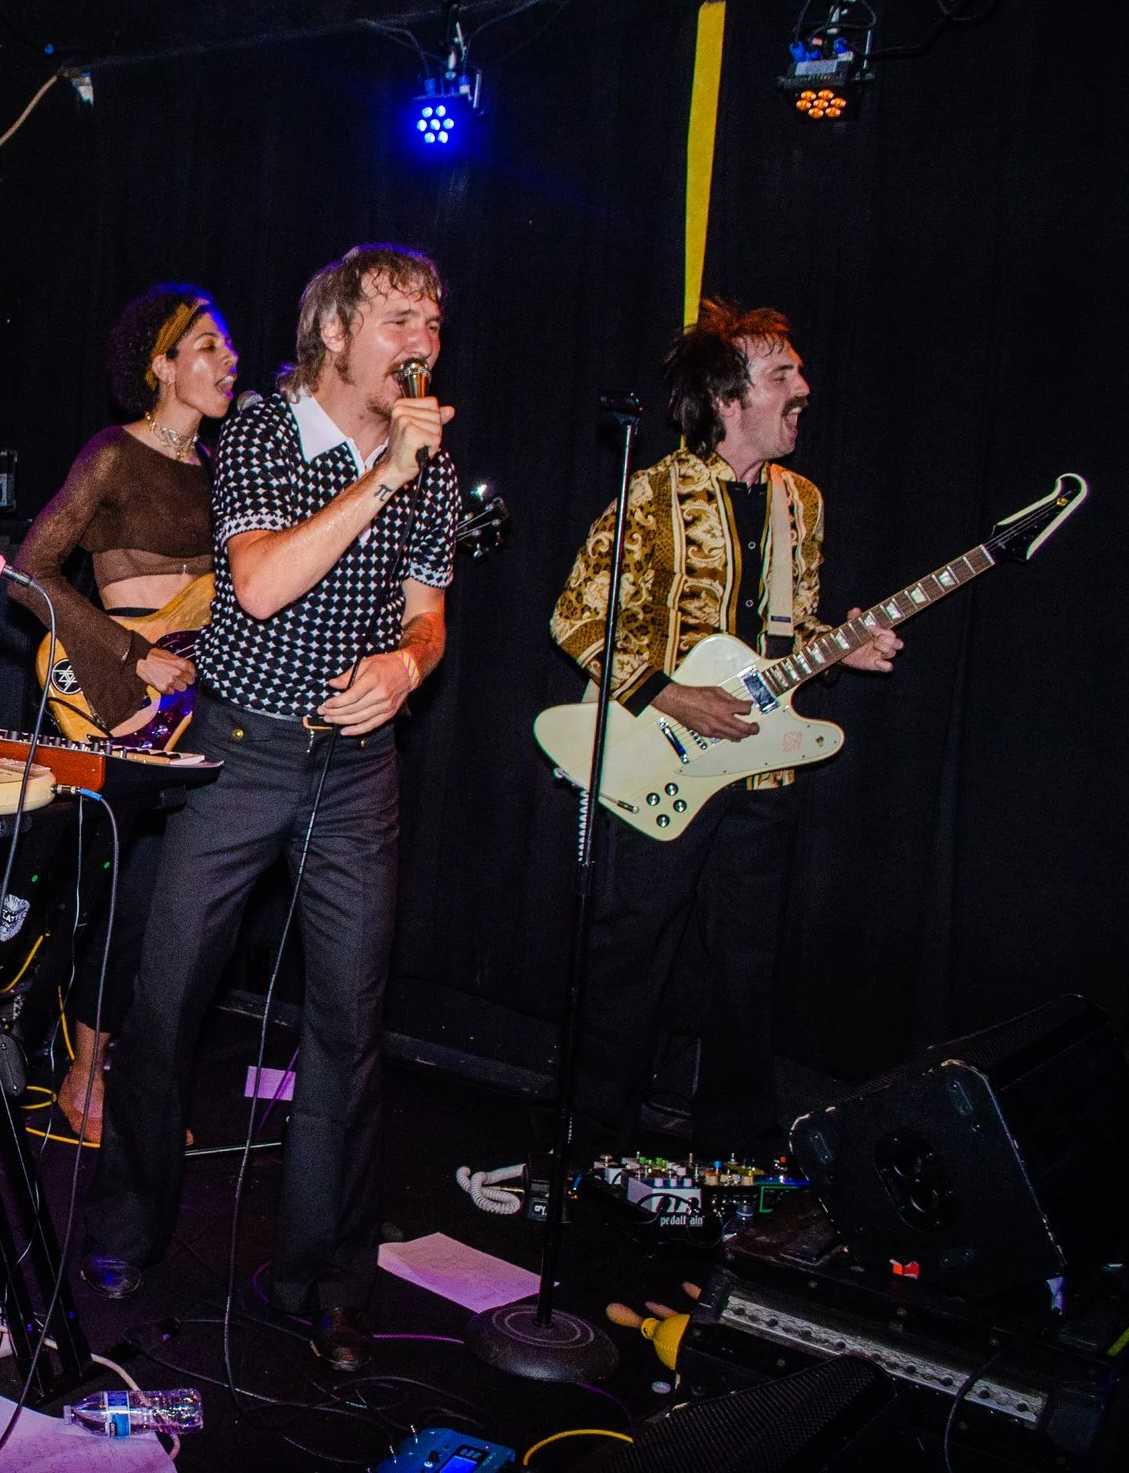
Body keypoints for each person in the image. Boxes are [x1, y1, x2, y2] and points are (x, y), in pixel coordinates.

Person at [81, 244, 462, 1376]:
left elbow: (428, 611)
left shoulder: (432, 463)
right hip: (238, 751)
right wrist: (382, 476)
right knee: (166, 1002)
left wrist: (407, 666)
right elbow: (257, 584)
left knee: (347, 1024)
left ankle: (326, 1281)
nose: (423, 342)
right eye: (398, 319)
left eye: (432, 321)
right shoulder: (258, 433)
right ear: (334, 332)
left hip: (357, 772)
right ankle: (125, 1230)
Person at [549, 299, 900, 1159]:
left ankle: (735, 1157)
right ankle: (588, 1148)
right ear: (727, 399)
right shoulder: (653, 494)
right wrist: (671, 696)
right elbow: (576, 618)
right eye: (782, 375)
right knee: (628, 959)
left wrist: (841, 648)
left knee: (747, 969)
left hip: (762, 771)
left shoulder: (800, 501)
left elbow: (792, 629)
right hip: (661, 768)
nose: (803, 388)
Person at [12, 285, 239, 1143]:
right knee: (133, 899)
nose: (228, 361)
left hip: (202, 703)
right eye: (208, 347)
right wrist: (133, 652)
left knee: (189, 911)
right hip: (124, 700)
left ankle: (141, 1087)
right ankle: (83, 1079)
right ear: (162, 366)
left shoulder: (223, 471)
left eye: (228, 347)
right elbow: (29, 573)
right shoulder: (114, 455)